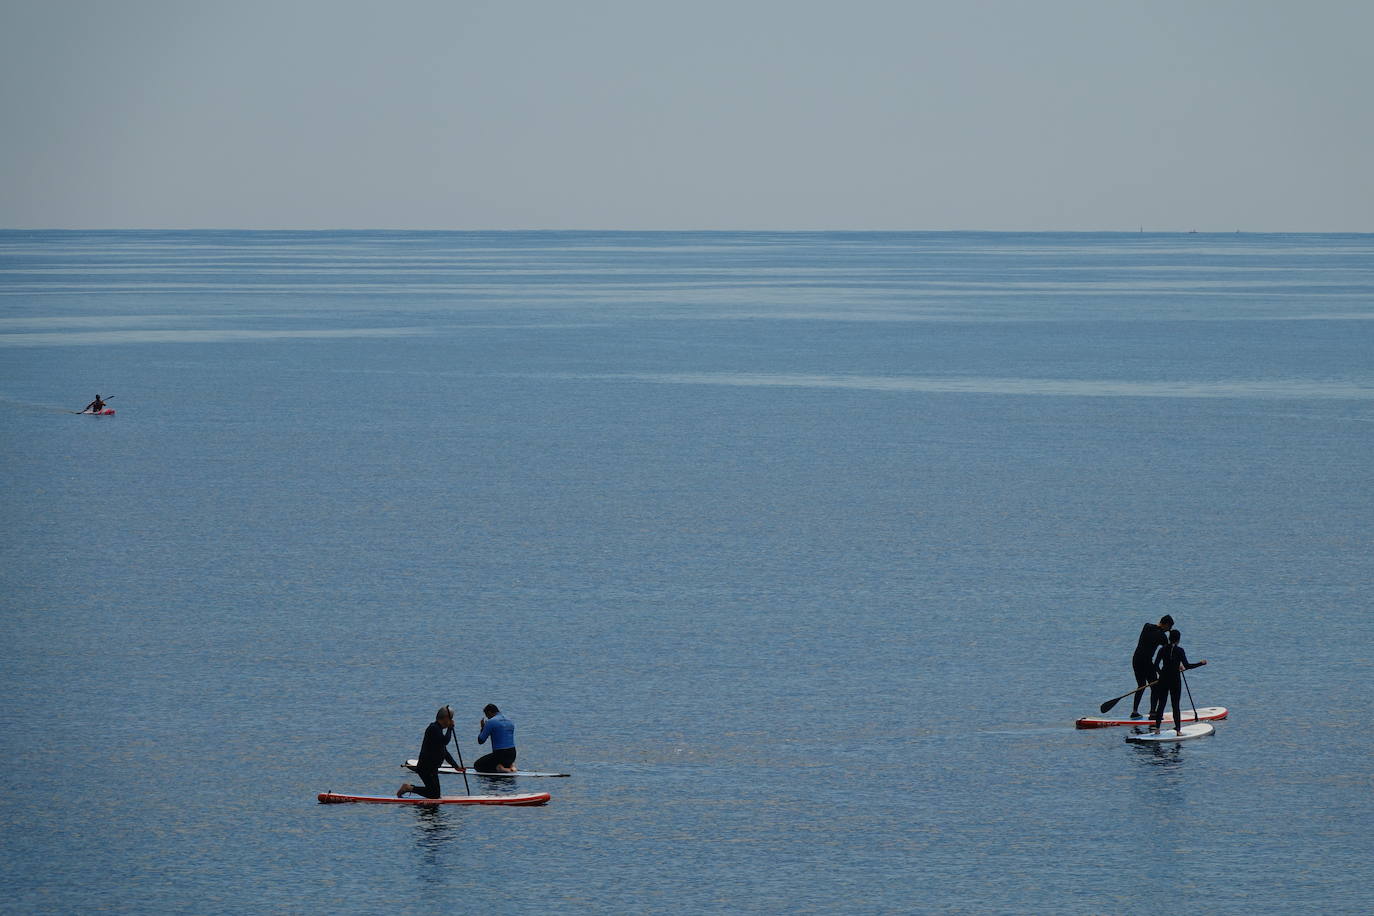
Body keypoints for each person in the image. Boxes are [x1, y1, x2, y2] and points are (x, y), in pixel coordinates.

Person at [1149, 629, 1208, 733]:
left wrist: (1161, 674)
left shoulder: (1162, 649)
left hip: (1163, 679)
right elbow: (1187, 666)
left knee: (1161, 703)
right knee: (1175, 705)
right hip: (1175, 680)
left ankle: (1157, 729)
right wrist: (1200, 663)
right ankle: (1178, 731)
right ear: (1178, 640)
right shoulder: (1180, 650)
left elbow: (1155, 665)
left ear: (1169, 638)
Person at [398, 705, 461, 799]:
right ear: (445, 718)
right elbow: (445, 741)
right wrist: (450, 729)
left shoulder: (438, 730)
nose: (452, 722)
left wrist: (456, 766)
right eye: (450, 719)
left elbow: (444, 752)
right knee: (434, 794)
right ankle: (407, 788)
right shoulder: (433, 728)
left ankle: (408, 788)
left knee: (435, 794)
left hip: (432, 768)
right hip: (426, 768)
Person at [1129, 615, 1174, 718]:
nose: (1169, 630)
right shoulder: (1162, 636)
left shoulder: (1147, 626)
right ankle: (1153, 712)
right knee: (1155, 687)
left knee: (1141, 685)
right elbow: (1167, 652)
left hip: (1136, 659)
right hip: (1146, 662)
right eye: (1169, 627)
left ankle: (1134, 711)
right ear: (1166, 624)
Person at [474, 703, 517, 773]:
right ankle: (511, 766)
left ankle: (502, 769)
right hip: (512, 754)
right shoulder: (510, 721)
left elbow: (481, 740)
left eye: (487, 716)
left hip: (500, 755)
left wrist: (483, 728)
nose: (487, 718)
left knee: (477, 765)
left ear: (489, 712)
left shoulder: (491, 722)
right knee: (504, 761)